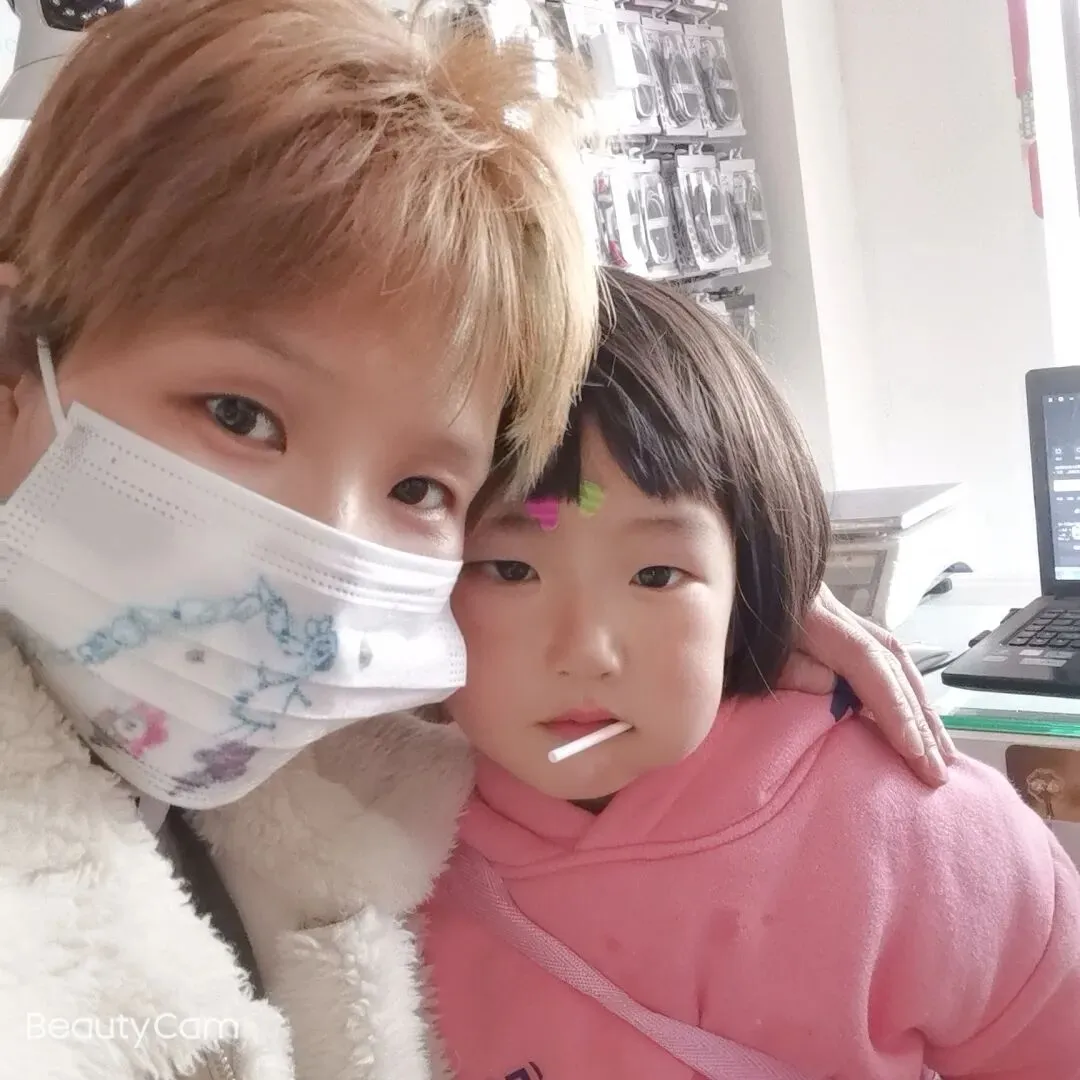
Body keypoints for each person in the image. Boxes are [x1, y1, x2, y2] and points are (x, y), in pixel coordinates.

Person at [0, 1, 951, 1077]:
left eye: (417, 487)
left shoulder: (348, 759)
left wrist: (737, 582)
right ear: (12, 363)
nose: (325, 562)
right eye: (239, 416)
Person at [416, 269, 1080, 1079]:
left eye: (656, 575)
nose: (586, 650)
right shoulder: (361, 840)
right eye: (511, 570)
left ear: (749, 581)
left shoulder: (922, 835)